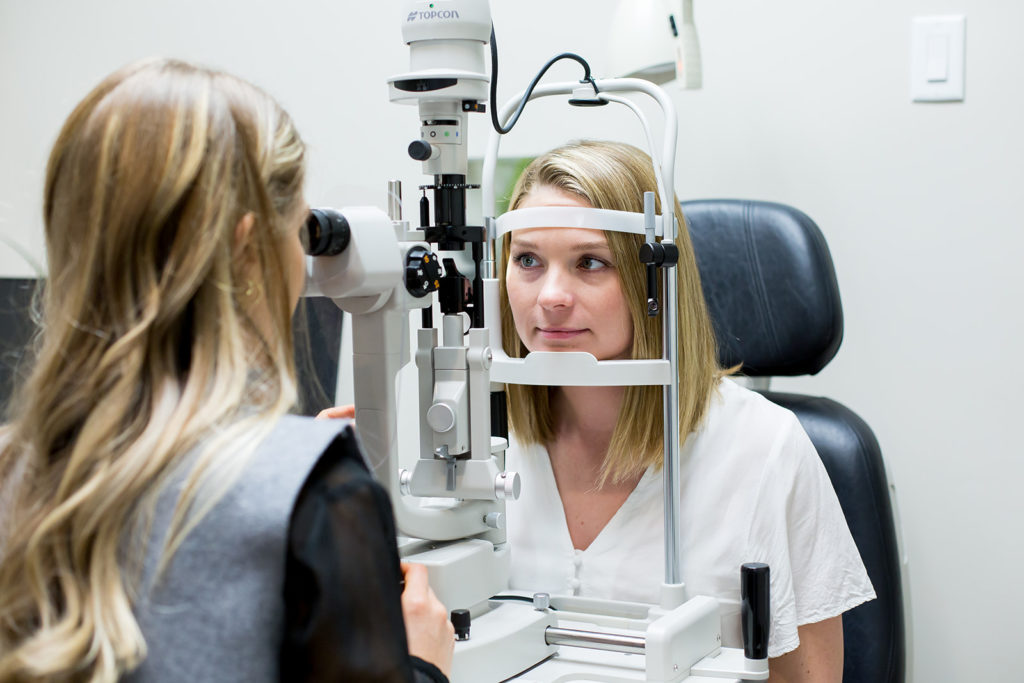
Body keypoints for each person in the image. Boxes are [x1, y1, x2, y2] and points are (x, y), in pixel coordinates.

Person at [0, 58, 453, 683]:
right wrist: (423, 666)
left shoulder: (16, 472)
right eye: (299, 234)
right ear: (247, 249)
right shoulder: (315, 491)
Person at [498, 140, 876, 682]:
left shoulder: (762, 448)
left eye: (591, 262)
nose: (551, 296)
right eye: (528, 260)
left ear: (656, 282)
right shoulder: (480, 444)